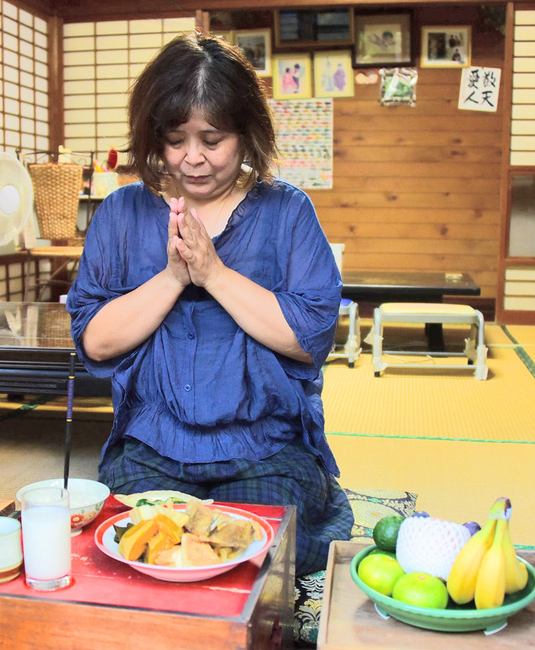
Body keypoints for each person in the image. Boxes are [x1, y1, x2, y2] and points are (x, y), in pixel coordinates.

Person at [66, 32, 353, 576]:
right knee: (144, 548)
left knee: (263, 552)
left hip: (265, 441)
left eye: (212, 139)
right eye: (176, 140)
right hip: (154, 441)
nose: (192, 159)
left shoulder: (286, 212)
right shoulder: (123, 214)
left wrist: (214, 273)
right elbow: (95, 341)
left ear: (246, 136)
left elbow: (311, 336)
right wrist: (174, 276)